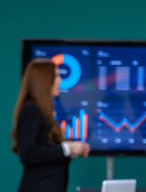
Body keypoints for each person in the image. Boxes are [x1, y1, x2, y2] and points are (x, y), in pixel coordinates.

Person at [11, 58, 90, 192]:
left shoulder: (43, 111)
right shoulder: (31, 110)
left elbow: (46, 151)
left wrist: (72, 150)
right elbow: (29, 155)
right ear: (43, 80)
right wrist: (67, 149)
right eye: (56, 76)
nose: (60, 80)